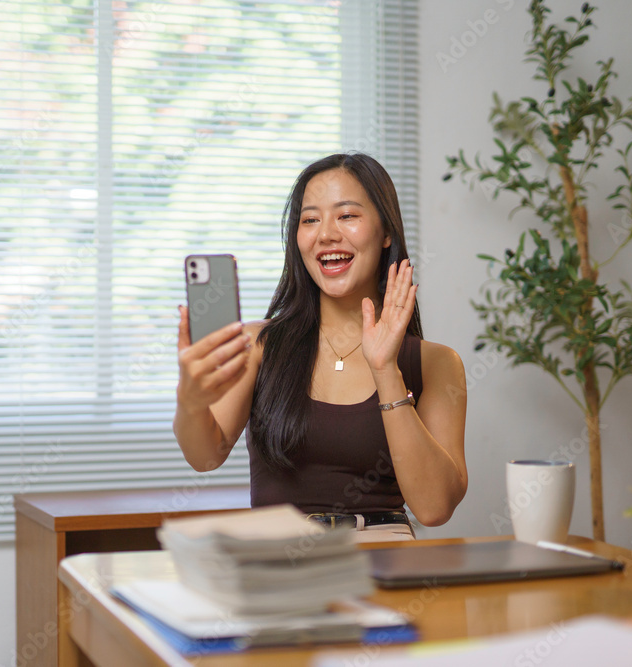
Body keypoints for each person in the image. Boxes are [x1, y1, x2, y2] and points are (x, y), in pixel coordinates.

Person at [173, 153, 467, 540]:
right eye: (310, 220)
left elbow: (434, 508)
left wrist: (385, 370)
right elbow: (204, 458)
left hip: (384, 553)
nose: (326, 234)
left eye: (347, 215)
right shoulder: (259, 346)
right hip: (280, 554)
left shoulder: (436, 362)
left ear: (386, 233)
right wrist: (190, 400)